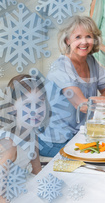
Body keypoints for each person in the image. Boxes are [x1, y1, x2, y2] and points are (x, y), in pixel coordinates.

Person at [38, 16, 105, 157]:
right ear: (67, 40)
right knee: (104, 157)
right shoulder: (60, 68)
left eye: (88, 36)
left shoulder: (90, 61)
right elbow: (82, 105)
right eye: (78, 37)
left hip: (80, 135)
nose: (84, 42)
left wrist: (100, 100)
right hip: (55, 141)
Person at [0, 73, 49, 201]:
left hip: (19, 186)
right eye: (27, 104)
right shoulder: (9, 143)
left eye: (40, 103)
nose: (35, 110)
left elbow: (37, 171)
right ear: (12, 107)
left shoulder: (32, 133)